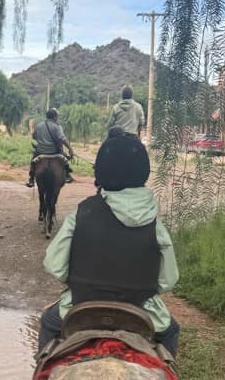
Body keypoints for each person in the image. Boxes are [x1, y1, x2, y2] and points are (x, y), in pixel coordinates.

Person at [38, 131, 180, 356]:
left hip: (81, 308)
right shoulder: (155, 224)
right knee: (171, 331)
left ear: (101, 172)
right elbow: (168, 280)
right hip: (142, 313)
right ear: (143, 172)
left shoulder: (81, 214)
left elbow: (55, 266)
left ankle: (42, 372)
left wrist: (82, 282)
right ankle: (170, 371)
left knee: (48, 322)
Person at [26, 108, 74, 187]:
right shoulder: (57, 127)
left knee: (33, 162)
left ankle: (31, 179)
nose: (57, 118)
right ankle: (67, 175)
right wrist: (70, 149)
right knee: (65, 161)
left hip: (41, 151)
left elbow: (34, 137)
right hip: (54, 152)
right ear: (54, 117)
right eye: (57, 116)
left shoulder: (38, 126)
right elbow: (63, 139)